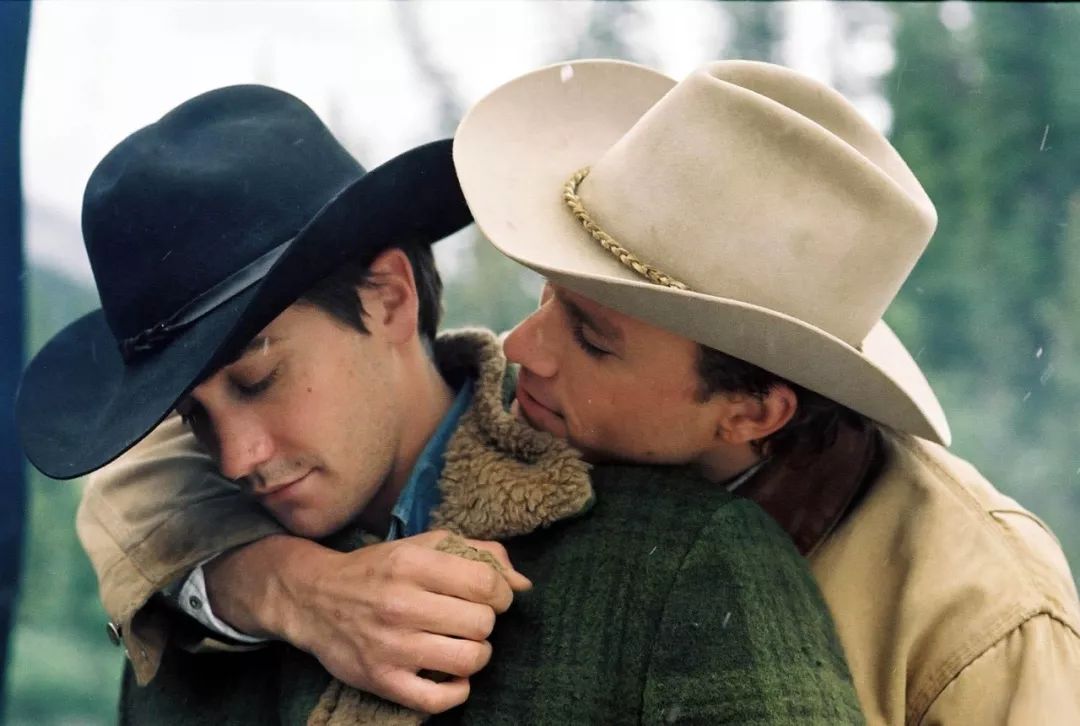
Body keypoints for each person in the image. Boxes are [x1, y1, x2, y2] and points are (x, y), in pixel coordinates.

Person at [70, 59, 1080, 723]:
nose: (522, 346)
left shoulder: (986, 616)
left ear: (752, 410)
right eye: (547, 295)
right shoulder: (533, 426)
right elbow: (137, 479)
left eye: (592, 336)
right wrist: (286, 586)